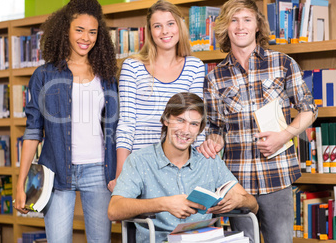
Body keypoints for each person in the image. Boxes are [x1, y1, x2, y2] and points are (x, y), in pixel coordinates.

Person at [199, 0, 317, 243]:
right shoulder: (214, 77)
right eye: (234, 20)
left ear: (257, 26)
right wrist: (213, 141)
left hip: (277, 176)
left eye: (246, 20)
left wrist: (284, 136)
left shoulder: (282, 63)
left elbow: (309, 110)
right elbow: (215, 127)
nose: (240, 26)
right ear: (225, 27)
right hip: (236, 182)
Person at [13, 0, 118, 243]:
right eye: (79, 30)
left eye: (92, 32)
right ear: (65, 30)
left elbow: (115, 127)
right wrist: (21, 184)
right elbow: (32, 132)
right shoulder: (44, 76)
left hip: (99, 170)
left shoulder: (107, 76)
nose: (86, 38)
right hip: (56, 171)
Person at [108, 92, 258, 243]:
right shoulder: (140, 161)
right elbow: (114, 210)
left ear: (200, 129)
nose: (186, 130)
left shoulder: (209, 161)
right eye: (180, 120)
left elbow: (253, 205)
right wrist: (164, 204)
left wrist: (239, 201)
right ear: (166, 120)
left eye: (194, 124)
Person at [108, 0, 205, 192]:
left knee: (184, 220)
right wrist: (121, 174)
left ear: (179, 26)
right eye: (157, 26)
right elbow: (127, 123)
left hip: (179, 165)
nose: (165, 31)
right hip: (141, 165)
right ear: (150, 32)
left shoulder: (194, 66)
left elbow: (195, 122)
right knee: (144, 221)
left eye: (170, 24)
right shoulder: (132, 67)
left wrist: (201, 168)